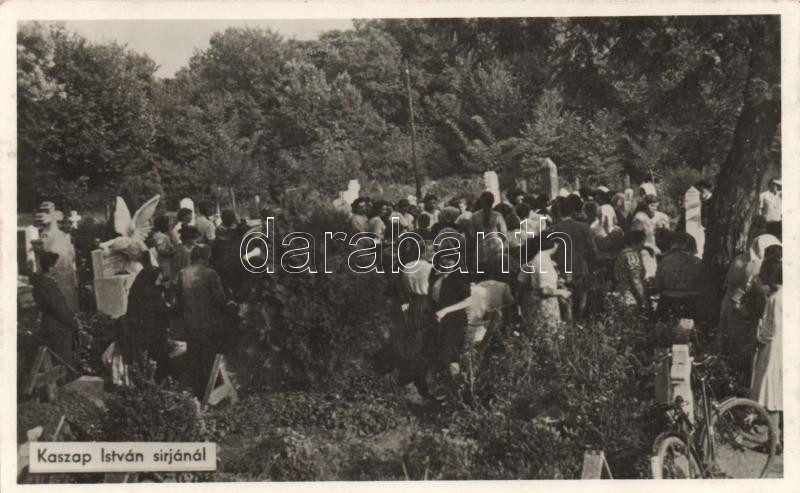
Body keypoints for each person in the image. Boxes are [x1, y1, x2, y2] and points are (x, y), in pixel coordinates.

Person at [175, 244, 236, 397]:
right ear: (206, 257)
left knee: (194, 358)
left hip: (191, 323)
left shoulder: (182, 273)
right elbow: (219, 299)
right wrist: (230, 304)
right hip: (210, 323)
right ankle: (210, 394)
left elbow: (179, 301)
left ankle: (196, 393)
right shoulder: (210, 274)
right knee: (209, 360)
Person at [717, 233, 781, 375]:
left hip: (753, 313)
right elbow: (737, 293)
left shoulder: (765, 265)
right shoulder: (750, 265)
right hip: (743, 313)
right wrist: (747, 311)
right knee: (741, 348)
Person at [121, 252, 172, 381]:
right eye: (158, 279)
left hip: (139, 335)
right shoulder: (152, 293)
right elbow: (163, 312)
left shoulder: (137, 291)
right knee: (159, 364)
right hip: (153, 336)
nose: (160, 282)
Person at [429, 234, 473, 378]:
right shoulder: (435, 274)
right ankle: (440, 379)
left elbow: (468, 301)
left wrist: (446, 310)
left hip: (454, 320)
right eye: (444, 260)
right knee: (435, 352)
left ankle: (455, 382)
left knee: (449, 355)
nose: (447, 263)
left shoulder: (458, 277)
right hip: (438, 318)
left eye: (451, 261)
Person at [750, 247, 782, 435]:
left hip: (773, 349)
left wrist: (759, 340)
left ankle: (774, 439)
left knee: (772, 394)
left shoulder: (775, 299)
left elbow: (771, 329)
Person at [549, 198, 598, 320]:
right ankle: (580, 324)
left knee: (566, 303)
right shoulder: (584, 227)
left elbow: (550, 252)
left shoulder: (553, 229)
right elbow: (593, 250)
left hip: (562, 270)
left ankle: (569, 327)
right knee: (581, 302)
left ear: (559, 212)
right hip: (581, 268)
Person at [31, 251, 82, 366]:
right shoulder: (48, 285)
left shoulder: (39, 284)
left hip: (50, 326)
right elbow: (59, 309)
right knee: (63, 364)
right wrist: (74, 323)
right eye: (56, 264)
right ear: (50, 267)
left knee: (57, 364)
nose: (58, 267)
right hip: (59, 328)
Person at [517, 236, 569, 333]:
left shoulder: (543, 259)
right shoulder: (542, 261)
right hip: (544, 305)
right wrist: (562, 292)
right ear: (554, 244)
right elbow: (544, 289)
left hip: (540, 303)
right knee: (547, 332)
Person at [653, 232, 702, 321]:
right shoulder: (698, 262)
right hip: (692, 303)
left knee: (667, 327)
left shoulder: (664, 261)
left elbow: (657, 285)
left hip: (668, 303)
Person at [468, 191, 508, 277]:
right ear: (493, 201)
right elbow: (503, 233)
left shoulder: (475, 216)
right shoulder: (498, 215)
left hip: (482, 245)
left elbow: (472, 235)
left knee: (483, 271)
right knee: (497, 269)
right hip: (496, 244)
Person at [614, 230, 646, 308]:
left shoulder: (623, 253)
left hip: (621, 293)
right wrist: (643, 299)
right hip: (630, 296)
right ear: (640, 241)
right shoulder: (632, 256)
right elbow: (635, 279)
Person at [152, 215, 176, 283]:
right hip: (163, 261)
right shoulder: (162, 236)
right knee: (165, 279)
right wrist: (173, 251)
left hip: (159, 260)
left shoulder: (155, 234)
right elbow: (161, 251)